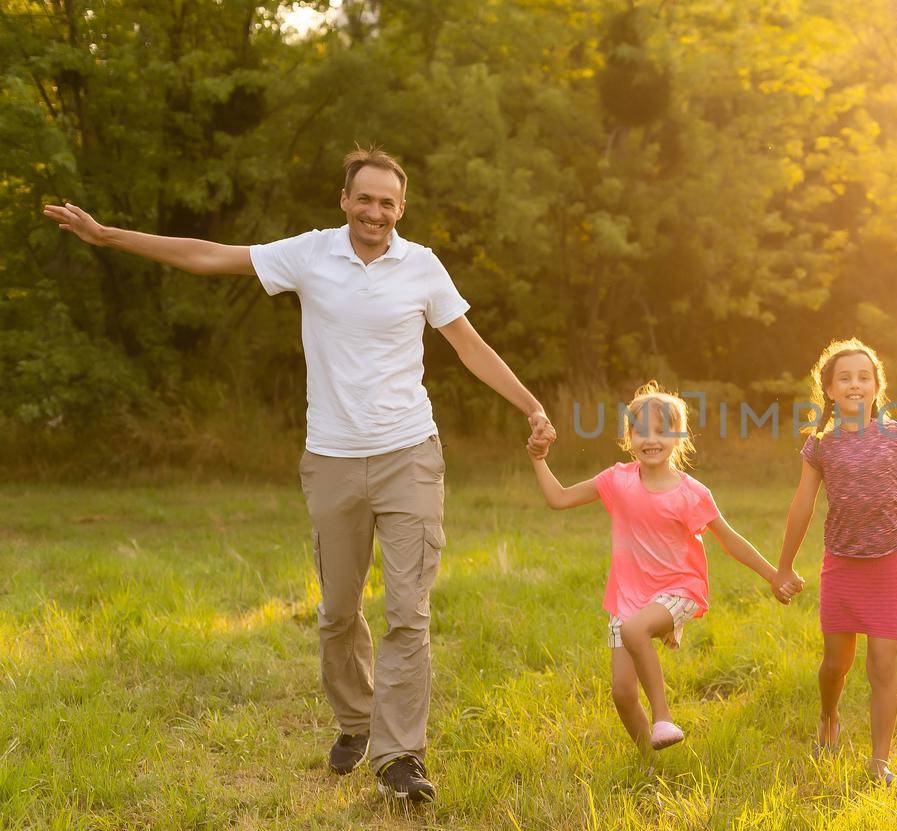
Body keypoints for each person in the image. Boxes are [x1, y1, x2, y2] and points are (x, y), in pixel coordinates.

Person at [43, 147, 556, 803]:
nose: (375, 211)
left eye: (387, 202)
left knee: (408, 614)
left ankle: (400, 757)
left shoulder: (422, 266)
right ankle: (355, 719)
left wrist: (532, 405)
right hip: (333, 459)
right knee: (339, 611)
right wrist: (108, 235)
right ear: (345, 201)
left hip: (410, 457)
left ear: (401, 209)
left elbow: (469, 345)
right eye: (364, 199)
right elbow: (209, 254)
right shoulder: (311, 255)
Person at [527, 382, 790, 752]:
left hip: (681, 590)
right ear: (628, 437)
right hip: (627, 596)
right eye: (641, 430)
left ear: (679, 436)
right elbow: (559, 498)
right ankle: (647, 759)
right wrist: (538, 459)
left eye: (663, 430)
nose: (652, 439)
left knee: (635, 630)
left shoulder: (691, 493)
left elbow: (730, 541)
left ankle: (663, 717)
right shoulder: (617, 480)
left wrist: (774, 575)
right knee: (621, 692)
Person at [773, 338, 897, 785]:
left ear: (876, 387)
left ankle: (879, 760)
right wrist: (784, 567)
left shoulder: (895, 437)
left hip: (889, 561)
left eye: (864, 376)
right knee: (836, 663)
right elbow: (801, 506)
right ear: (829, 389)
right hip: (842, 563)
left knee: (883, 663)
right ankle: (829, 716)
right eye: (844, 377)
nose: (854, 384)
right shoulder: (820, 446)